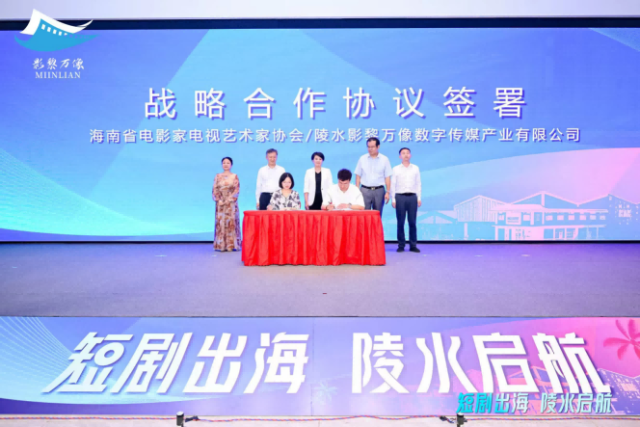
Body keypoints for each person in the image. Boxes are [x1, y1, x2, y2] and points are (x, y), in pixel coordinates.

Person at [391, 147, 422, 253]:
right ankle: (401, 245)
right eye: (403, 153)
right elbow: (393, 184)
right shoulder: (396, 169)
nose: (405, 155)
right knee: (400, 222)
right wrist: (393, 199)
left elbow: (418, 183)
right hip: (400, 197)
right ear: (400, 156)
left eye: (407, 153)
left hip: (412, 197)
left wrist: (419, 197)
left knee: (412, 222)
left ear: (410, 155)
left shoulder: (415, 168)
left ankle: (413, 245)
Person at [355, 136, 392, 215]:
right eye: (368, 147)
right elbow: (358, 175)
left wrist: (388, 192)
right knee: (364, 215)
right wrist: (357, 190)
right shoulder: (362, 159)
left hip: (379, 190)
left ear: (378, 146)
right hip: (365, 190)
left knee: (377, 214)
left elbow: (387, 177)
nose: (370, 149)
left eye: (372, 147)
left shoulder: (384, 159)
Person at [212, 157, 241, 251]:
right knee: (221, 223)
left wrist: (229, 199)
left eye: (228, 163)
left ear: (231, 165)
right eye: (224, 163)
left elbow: (236, 190)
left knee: (231, 223)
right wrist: (218, 199)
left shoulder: (234, 176)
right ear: (222, 165)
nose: (226, 164)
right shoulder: (218, 176)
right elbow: (215, 189)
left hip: (231, 204)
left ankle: (231, 245)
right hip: (220, 204)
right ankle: (221, 245)